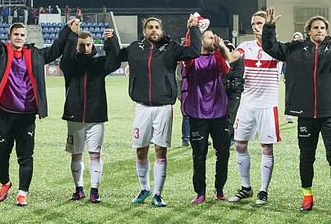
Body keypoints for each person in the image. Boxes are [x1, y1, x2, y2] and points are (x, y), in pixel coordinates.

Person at [260, 7, 331, 217]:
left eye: (322, 27)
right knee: (306, 158)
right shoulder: (295, 49)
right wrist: (270, 27)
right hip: (305, 114)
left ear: (326, 30)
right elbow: (270, 47)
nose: (319, 30)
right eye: (315, 27)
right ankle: (307, 198)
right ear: (308, 31)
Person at [111, 14, 203, 208]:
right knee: (140, 151)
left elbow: (194, 51)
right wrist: (110, 40)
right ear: (144, 31)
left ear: (161, 31)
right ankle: (144, 188)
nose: (154, 30)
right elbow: (114, 57)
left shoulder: (171, 48)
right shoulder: (135, 48)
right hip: (142, 108)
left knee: (161, 151)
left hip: (163, 108)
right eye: (150, 27)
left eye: (157, 27)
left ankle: (157, 194)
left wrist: (194, 29)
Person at [0, 19, 57, 206]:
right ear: (9, 37)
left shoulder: (35, 55)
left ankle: (22, 193)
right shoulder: (1, 53)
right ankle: (5, 183)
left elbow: (56, 49)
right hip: (4, 114)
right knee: (0, 155)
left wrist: (69, 32)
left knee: (25, 156)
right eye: (16, 34)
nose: (19, 37)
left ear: (26, 37)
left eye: (22, 35)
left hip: (27, 115)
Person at [54, 19, 123, 203]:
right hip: (74, 116)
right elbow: (65, 59)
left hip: (96, 117)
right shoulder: (70, 64)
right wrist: (73, 35)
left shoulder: (100, 63)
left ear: (93, 44)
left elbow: (115, 62)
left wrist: (110, 42)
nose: (85, 48)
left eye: (88, 44)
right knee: (76, 154)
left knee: (95, 155)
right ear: (77, 45)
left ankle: (94, 191)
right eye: (81, 45)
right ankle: (79, 189)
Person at [228, 11, 283, 206]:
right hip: (247, 104)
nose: (255, 26)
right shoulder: (245, 46)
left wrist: (270, 30)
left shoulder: (277, 49)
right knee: (240, 144)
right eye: (253, 23)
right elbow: (231, 57)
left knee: (266, 148)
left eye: (259, 23)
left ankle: (263, 191)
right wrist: (220, 47)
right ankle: (246, 187)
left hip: (267, 106)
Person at [180, 28, 240, 204]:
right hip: (197, 112)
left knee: (223, 152)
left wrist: (220, 49)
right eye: (209, 37)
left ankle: (219, 188)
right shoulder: (191, 59)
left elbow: (225, 69)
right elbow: (188, 64)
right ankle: (200, 192)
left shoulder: (217, 56)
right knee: (199, 154)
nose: (213, 39)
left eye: (213, 36)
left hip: (218, 111)